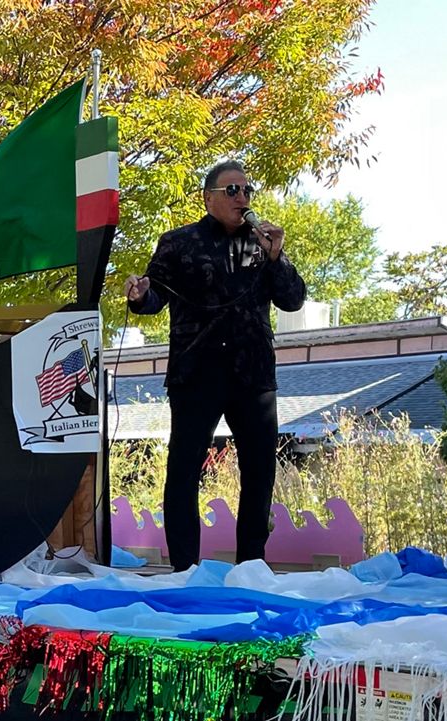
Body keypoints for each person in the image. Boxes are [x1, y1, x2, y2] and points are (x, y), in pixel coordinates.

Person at [125, 159, 306, 572]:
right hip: (197, 370)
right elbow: (154, 299)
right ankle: (185, 567)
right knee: (185, 469)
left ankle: (252, 567)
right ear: (209, 199)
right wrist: (137, 296)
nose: (242, 198)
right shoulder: (177, 243)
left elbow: (292, 300)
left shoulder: (262, 243)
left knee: (259, 470)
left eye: (247, 191)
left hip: (252, 371)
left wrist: (277, 257)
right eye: (232, 191)